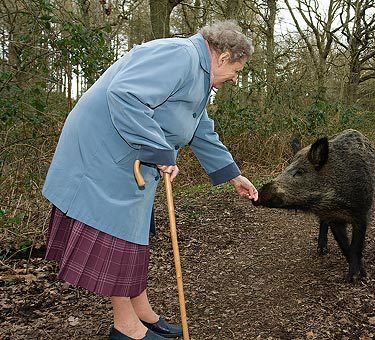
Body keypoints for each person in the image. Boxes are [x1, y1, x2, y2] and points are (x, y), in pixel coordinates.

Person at [42, 20, 258, 340]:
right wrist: (159, 150)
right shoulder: (181, 55)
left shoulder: (198, 74)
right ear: (224, 56)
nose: (235, 79)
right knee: (120, 235)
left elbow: (198, 127)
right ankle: (126, 328)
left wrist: (232, 174)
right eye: (237, 70)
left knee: (137, 230)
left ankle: (141, 312)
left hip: (128, 154)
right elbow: (126, 94)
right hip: (104, 150)